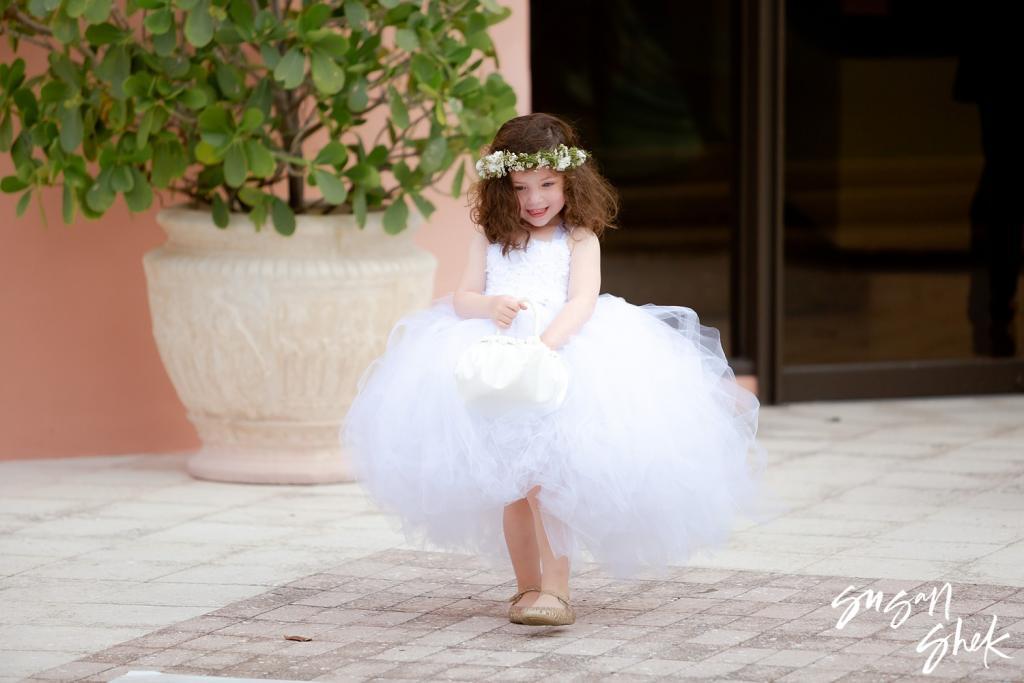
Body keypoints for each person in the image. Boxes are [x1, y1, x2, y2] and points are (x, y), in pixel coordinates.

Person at [340, 113, 773, 627]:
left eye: (547, 185)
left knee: (548, 482)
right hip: (497, 364)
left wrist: (544, 345)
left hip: (563, 356)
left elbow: (583, 299)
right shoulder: (492, 236)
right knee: (512, 486)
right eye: (521, 188)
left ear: (570, 181)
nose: (534, 199)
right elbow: (462, 296)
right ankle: (526, 587)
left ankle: (557, 589)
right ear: (504, 188)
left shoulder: (579, 238)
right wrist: (489, 305)